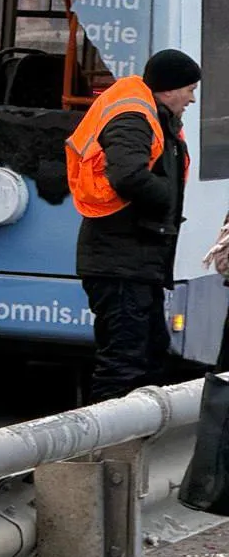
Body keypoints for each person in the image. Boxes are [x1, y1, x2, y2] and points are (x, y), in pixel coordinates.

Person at [66, 48, 201, 403]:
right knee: (125, 361)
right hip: (121, 259)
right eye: (189, 88)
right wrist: (166, 198)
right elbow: (127, 174)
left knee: (148, 354)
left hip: (133, 259)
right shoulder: (134, 118)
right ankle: (106, 447)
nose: (192, 97)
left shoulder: (151, 115)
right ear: (170, 89)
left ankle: (127, 440)